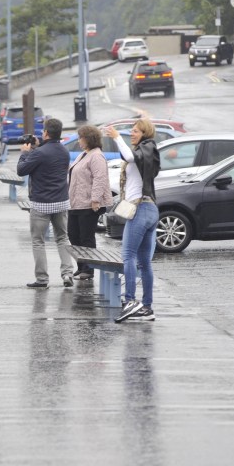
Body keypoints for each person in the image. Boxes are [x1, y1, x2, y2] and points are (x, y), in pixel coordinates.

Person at [107, 119, 161, 323]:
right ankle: (147, 307)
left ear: (145, 133)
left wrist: (116, 137)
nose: (132, 132)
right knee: (144, 262)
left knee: (128, 256)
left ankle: (130, 301)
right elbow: (130, 157)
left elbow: (129, 157)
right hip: (149, 209)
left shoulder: (146, 148)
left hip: (140, 209)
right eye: (131, 130)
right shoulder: (147, 150)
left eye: (136, 130)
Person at [16, 118, 74, 289]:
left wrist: (25, 153)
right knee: (63, 238)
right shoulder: (64, 151)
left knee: (38, 241)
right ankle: (67, 274)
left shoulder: (38, 153)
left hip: (41, 203)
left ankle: (42, 279)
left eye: (43, 131)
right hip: (61, 202)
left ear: (47, 133)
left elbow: (21, 170)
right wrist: (37, 147)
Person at [67, 125, 112, 285]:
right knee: (73, 234)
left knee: (86, 237)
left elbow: (100, 178)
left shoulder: (97, 156)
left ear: (89, 139)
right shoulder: (83, 155)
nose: (79, 141)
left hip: (88, 204)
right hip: (76, 203)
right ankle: (81, 265)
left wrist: (95, 199)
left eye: (81, 138)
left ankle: (88, 269)